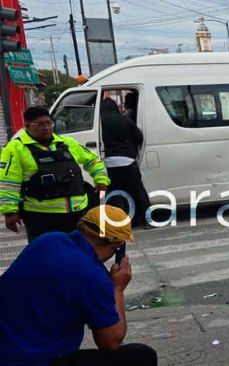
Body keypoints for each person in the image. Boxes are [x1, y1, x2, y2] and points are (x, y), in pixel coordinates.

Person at [0, 205, 158, 366]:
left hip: (6, 348)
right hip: (34, 360)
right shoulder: (92, 276)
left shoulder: (47, 240)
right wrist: (117, 289)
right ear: (119, 244)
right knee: (141, 356)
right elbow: (111, 342)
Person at [0, 106, 110, 241]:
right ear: (27, 125)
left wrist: (101, 180)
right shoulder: (15, 149)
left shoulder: (67, 143)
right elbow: (8, 183)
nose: (46, 127)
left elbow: (93, 160)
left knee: (78, 255)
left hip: (77, 214)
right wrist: (9, 212)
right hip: (42, 217)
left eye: (49, 123)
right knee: (46, 257)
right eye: (40, 124)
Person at [101, 98, 150, 227]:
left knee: (115, 193)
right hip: (127, 160)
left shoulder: (99, 122)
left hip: (109, 163)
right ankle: (146, 219)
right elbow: (139, 137)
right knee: (137, 190)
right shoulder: (125, 120)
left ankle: (118, 221)